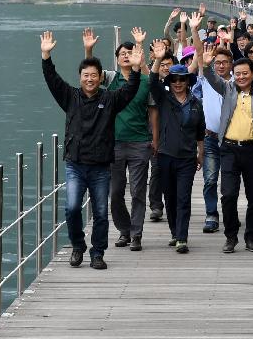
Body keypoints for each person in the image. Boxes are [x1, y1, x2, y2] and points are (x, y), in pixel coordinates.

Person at [41, 30, 143, 270]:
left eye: (94, 76)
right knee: (73, 207)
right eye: (86, 75)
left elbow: (129, 91)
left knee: (100, 213)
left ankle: (98, 253)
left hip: (100, 167)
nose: (90, 79)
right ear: (80, 77)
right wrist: (46, 56)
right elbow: (52, 79)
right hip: (76, 165)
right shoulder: (69, 97)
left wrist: (136, 70)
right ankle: (78, 246)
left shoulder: (109, 99)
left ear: (100, 78)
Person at [202, 45, 253, 254]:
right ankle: (231, 236)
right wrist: (206, 63)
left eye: (245, 73)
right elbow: (211, 77)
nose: (241, 77)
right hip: (228, 148)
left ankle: (252, 238)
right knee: (228, 195)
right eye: (237, 74)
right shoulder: (228, 88)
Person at [83, 27, 157, 252]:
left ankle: (136, 234)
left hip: (139, 143)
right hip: (113, 144)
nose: (126, 55)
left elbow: (153, 112)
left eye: (130, 51)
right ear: (116, 59)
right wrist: (89, 49)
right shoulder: (112, 79)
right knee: (115, 192)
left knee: (137, 191)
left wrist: (155, 140)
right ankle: (124, 230)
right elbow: (91, 74)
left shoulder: (145, 81)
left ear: (137, 55)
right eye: (122, 53)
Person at [149, 39, 205, 253]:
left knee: (183, 197)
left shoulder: (195, 103)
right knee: (170, 197)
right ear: (170, 81)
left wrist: (201, 153)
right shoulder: (163, 98)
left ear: (187, 81)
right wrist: (159, 58)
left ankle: (182, 237)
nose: (178, 83)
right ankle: (174, 232)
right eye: (174, 79)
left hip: (187, 158)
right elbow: (153, 81)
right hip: (165, 155)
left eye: (182, 79)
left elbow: (200, 130)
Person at [193, 46, 234, 233]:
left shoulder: (237, 83)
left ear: (231, 64)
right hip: (209, 138)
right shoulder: (206, 79)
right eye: (217, 62)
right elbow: (201, 60)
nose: (221, 66)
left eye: (225, 62)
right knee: (210, 179)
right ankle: (211, 214)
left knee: (229, 182)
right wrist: (193, 29)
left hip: (231, 139)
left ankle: (230, 215)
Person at [148, 49, 178, 222]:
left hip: (176, 134)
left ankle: (173, 204)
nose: (166, 68)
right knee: (157, 169)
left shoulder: (180, 82)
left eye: (169, 65)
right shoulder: (155, 85)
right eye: (163, 65)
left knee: (173, 171)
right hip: (156, 133)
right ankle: (156, 206)